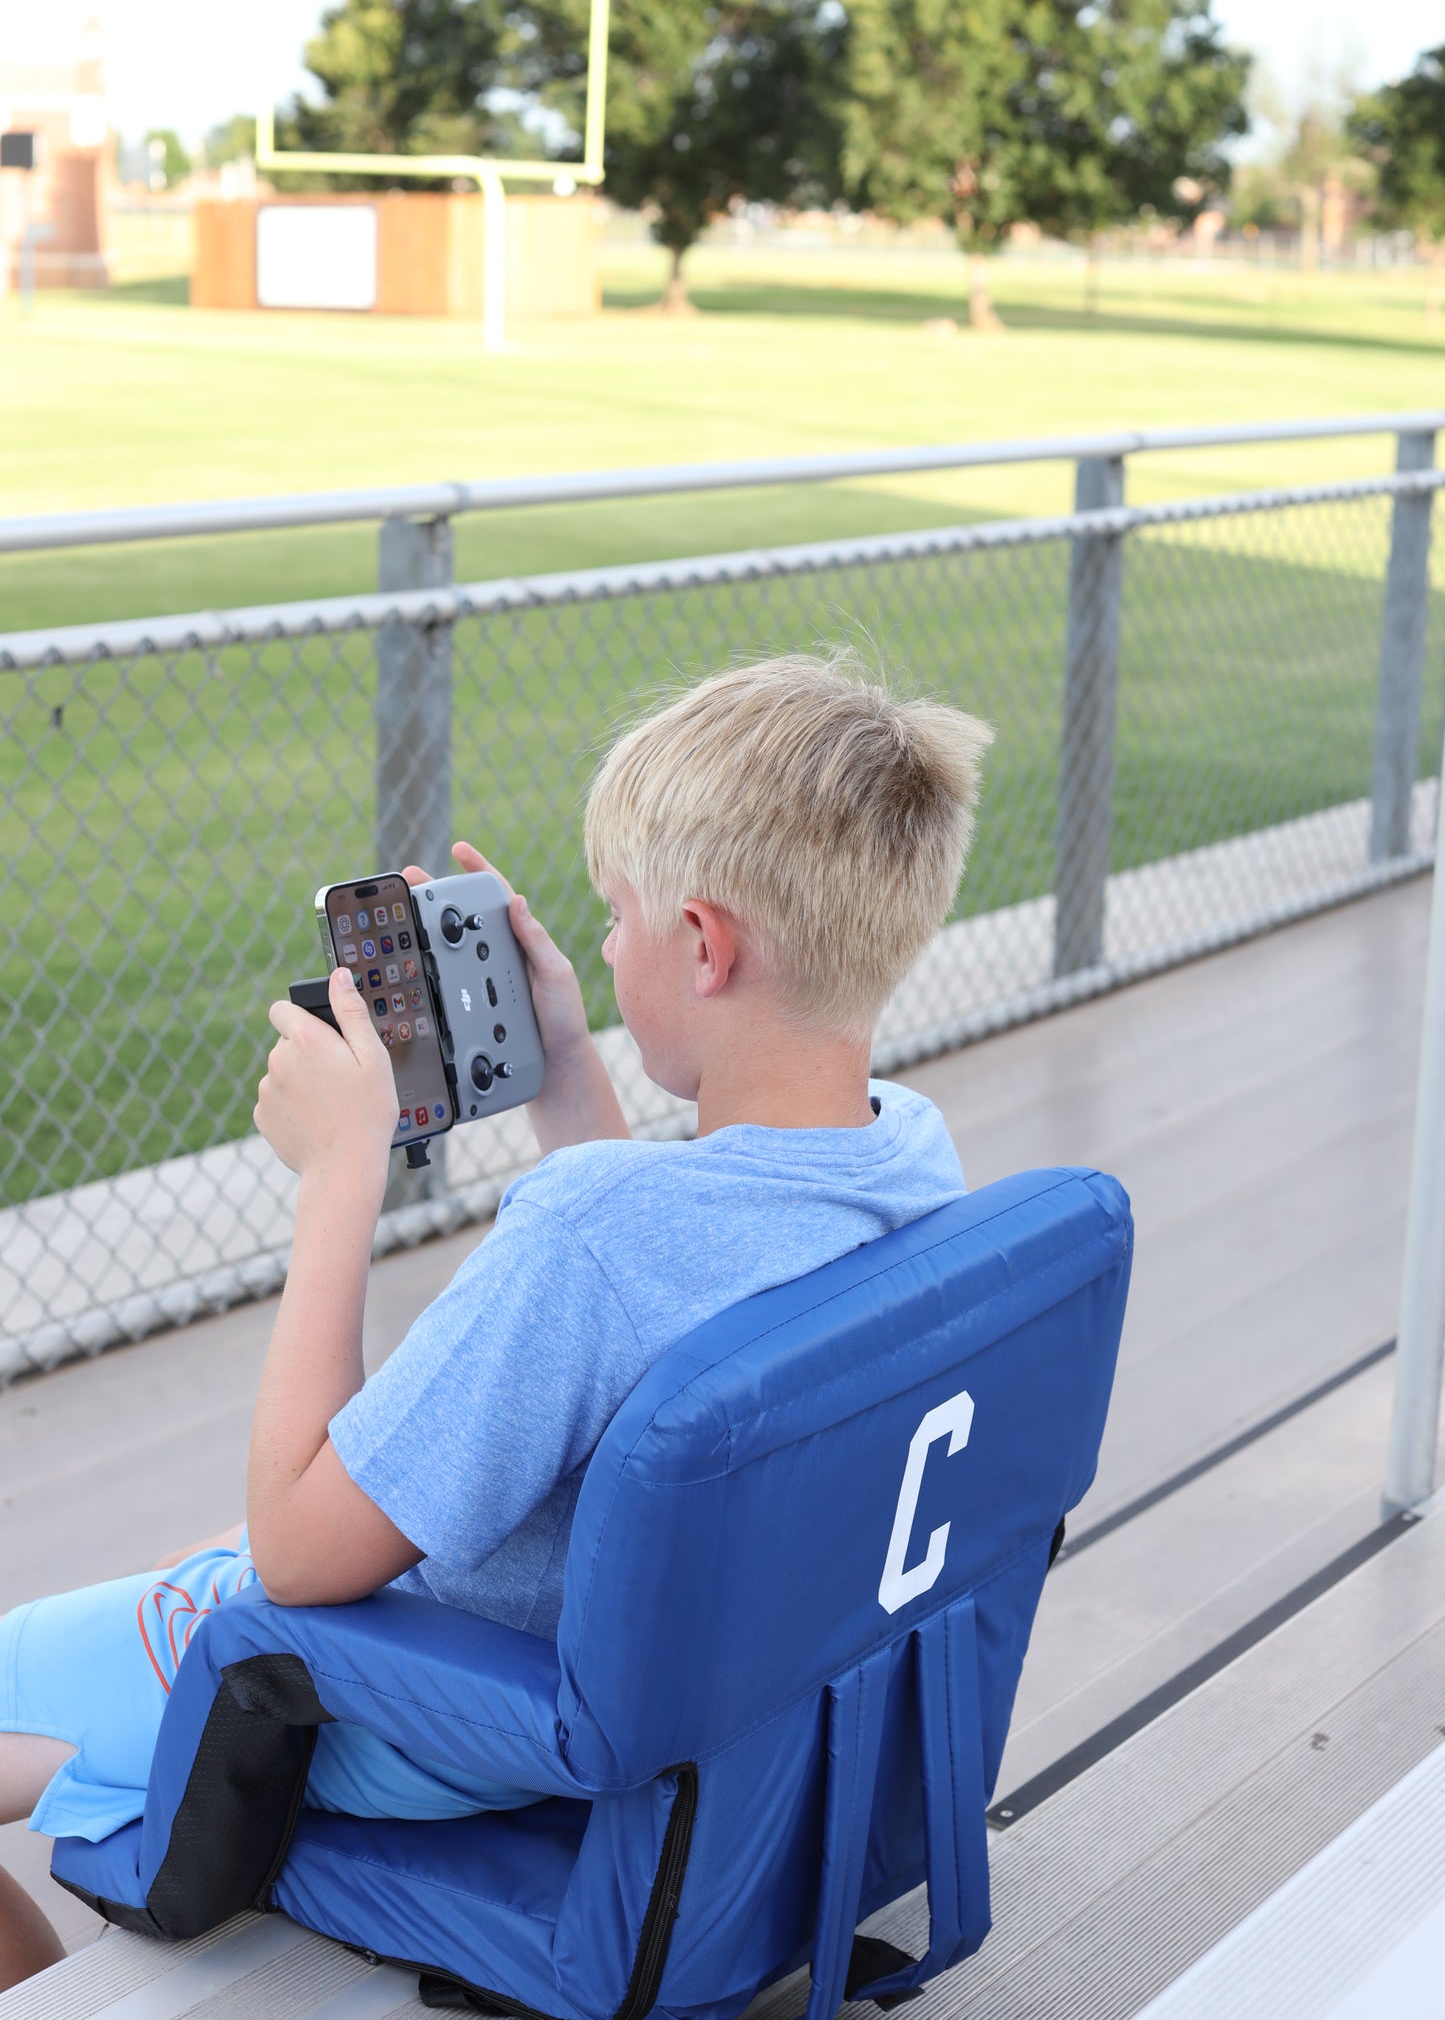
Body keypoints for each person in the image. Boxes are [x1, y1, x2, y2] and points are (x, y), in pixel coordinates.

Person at [0, 652, 991, 1988]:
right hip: (660, 1680)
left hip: (416, 1707)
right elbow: (668, 1273)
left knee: (197, 1579)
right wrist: (567, 1064)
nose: (604, 947)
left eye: (618, 917)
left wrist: (339, 1177)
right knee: (184, 1565)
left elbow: (296, 1554)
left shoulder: (585, 1238)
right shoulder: (907, 1157)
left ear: (704, 946)